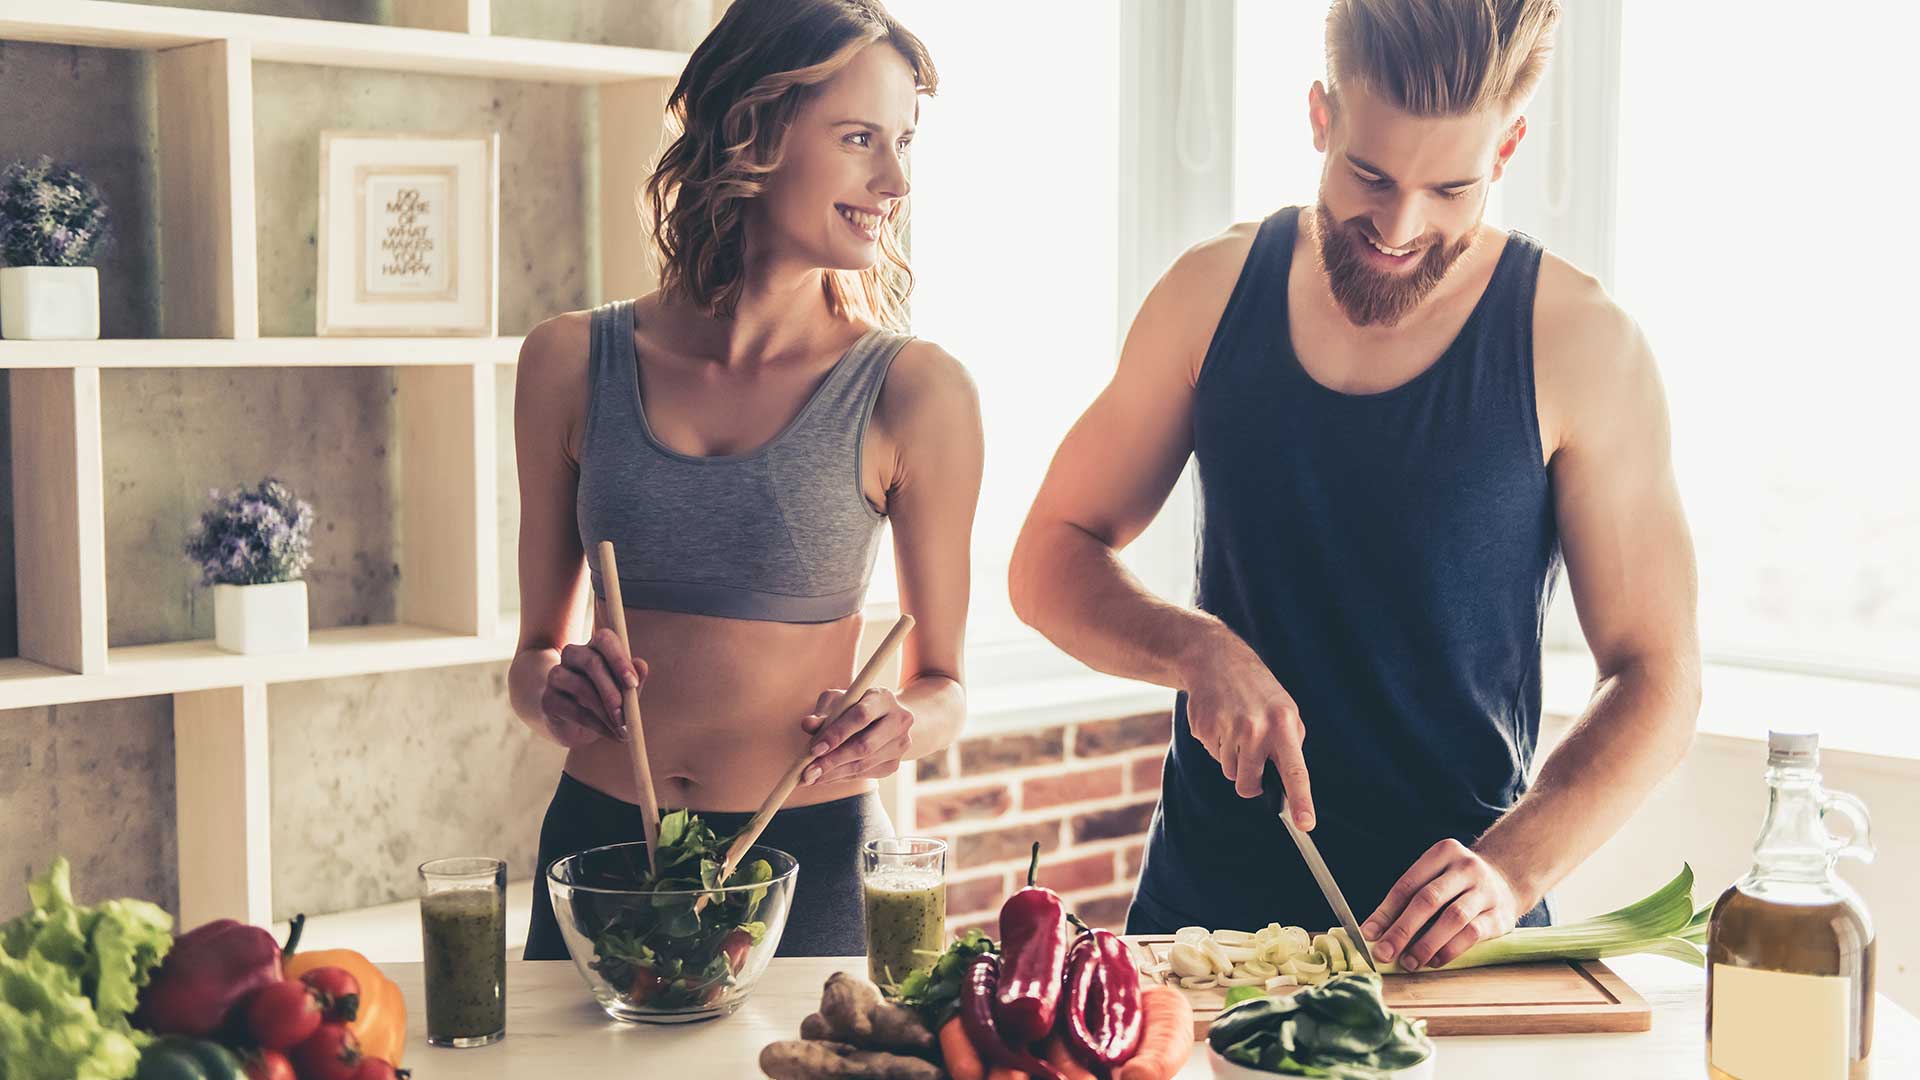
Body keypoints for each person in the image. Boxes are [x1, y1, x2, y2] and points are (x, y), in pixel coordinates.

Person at [1008, 0, 1700, 973]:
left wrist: (1511, 869)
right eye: (1370, 176)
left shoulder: (1581, 342)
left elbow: (1658, 677)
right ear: (1320, 117)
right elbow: (1048, 556)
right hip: (1202, 932)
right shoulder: (1209, 294)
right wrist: (1194, 647)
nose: (1399, 226)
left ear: (1507, 150)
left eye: (1449, 188)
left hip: (1449, 947)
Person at [509, 0, 982, 958]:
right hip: (598, 852)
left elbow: (944, 685)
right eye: (859, 139)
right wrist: (551, 691)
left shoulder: (916, 391)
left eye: (903, 144)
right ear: (751, 130)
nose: (894, 180)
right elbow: (531, 659)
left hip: (805, 859)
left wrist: (900, 724)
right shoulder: (567, 361)